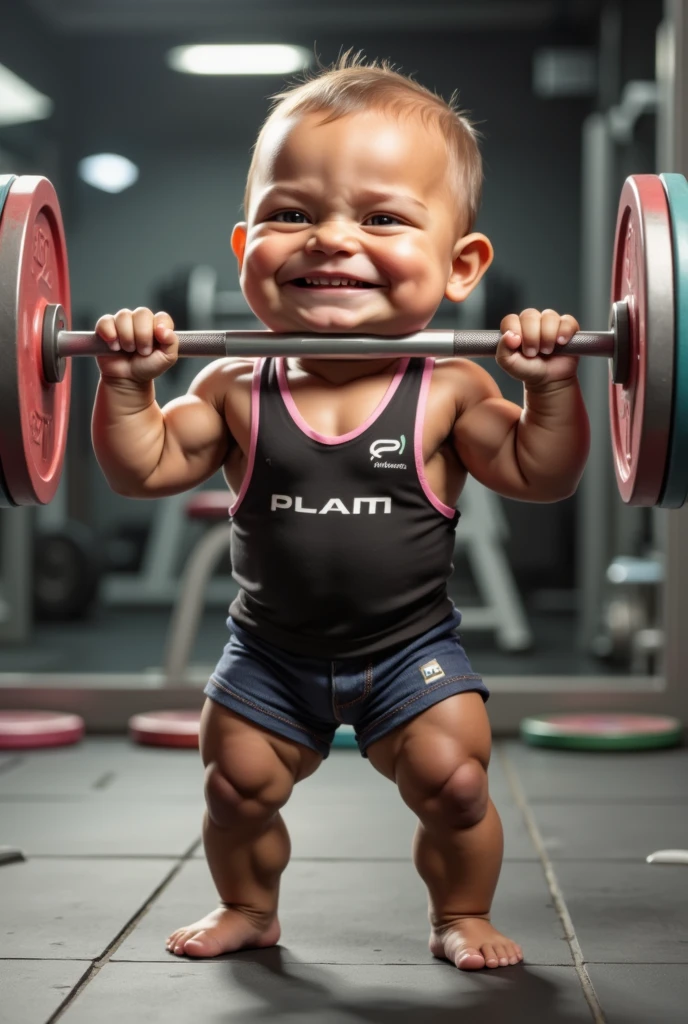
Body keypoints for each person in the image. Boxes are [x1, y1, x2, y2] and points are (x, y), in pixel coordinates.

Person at [91, 54, 590, 971]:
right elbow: (146, 467)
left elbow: (538, 471)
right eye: (291, 214)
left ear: (460, 265)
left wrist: (554, 386)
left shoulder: (451, 387)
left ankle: (461, 914)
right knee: (236, 788)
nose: (329, 238)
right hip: (270, 651)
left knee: (455, 782)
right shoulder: (235, 384)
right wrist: (124, 385)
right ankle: (247, 904)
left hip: (413, 649)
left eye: (382, 218)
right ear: (247, 251)